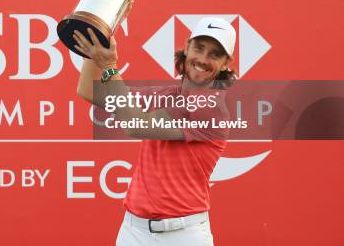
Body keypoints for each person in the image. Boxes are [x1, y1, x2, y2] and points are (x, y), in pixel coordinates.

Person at [73, 16, 236, 246]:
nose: (203, 59)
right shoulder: (165, 95)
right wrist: (99, 37)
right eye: (199, 48)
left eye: (215, 54)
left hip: (183, 235)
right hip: (134, 231)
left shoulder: (211, 108)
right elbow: (89, 89)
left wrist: (109, 66)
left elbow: (135, 125)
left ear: (225, 63)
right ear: (187, 47)